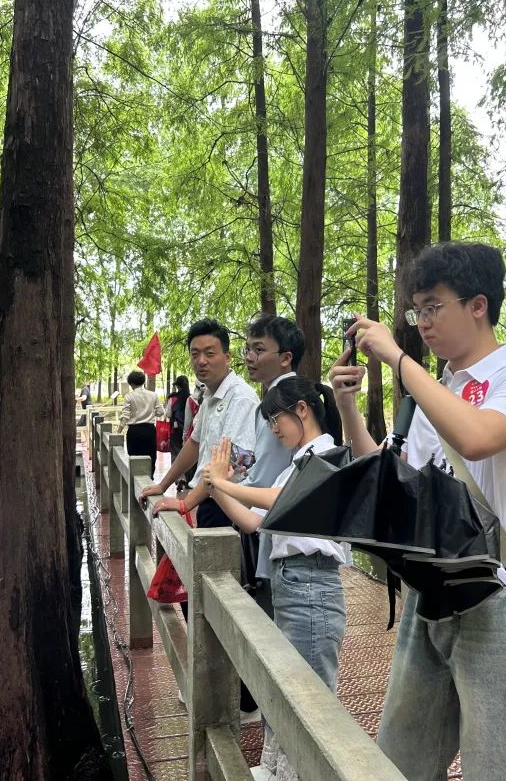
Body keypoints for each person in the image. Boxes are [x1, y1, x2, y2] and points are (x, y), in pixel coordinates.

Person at [330, 242, 506, 780]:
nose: (422, 322)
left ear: (477, 305)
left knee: (496, 769)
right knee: (398, 763)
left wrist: (398, 360)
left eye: (433, 306)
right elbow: (392, 484)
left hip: (499, 594)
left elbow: (477, 439)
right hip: (427, 594)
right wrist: (345, 408)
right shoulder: (436, 391)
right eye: (417, 311)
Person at [201, 377, 348, 781]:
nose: (273, 430)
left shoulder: (328, 455)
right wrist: (215, 488)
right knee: (287, 685)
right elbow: (252, 522)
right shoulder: (295, 466)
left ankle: (297, 773)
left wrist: (226, 482)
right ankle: (276, 768)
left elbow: (283, 501)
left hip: (313, 587)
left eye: (275, 420)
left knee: (310, 697)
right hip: (290, 584)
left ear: (302, 410)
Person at [139, 317, 260, 720]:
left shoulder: (240, 399)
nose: (202, 361)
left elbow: (229, 466)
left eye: (210, 353)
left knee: (228, 602)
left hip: (226, 508)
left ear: (228, 355)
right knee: (201, 600)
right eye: (195, 354)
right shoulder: (209, 398)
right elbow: (193, 445)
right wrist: (165, 483)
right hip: (206, 503)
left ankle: (242, 702)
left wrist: (186, 502)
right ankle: (213, 688)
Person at [238, 315, 306, 607]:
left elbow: (265, 477)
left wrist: (224, 488)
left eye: (259, 349)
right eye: (248, 350)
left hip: (276, 528)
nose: (250, 358)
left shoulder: (280, 403)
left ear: (285, 358)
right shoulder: (293, 393)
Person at [118, 370, 163, 478]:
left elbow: (125, 416)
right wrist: (151, 413)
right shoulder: (153, 395)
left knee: (135, 457)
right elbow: (161, 412)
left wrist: (118, 431)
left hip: (134, 431)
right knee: (150, 457)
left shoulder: (129, 397)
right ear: (143, 381)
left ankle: (136, 483)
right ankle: (150, 478)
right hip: (149, 430)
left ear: (131, 383)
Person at [167, 376, 191, 461]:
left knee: (176, 453)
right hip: (190, 431)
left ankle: (177, 473)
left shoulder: (173, 398)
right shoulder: (191, 399)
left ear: (177, 386)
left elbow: (168, 414)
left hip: (176, 429)